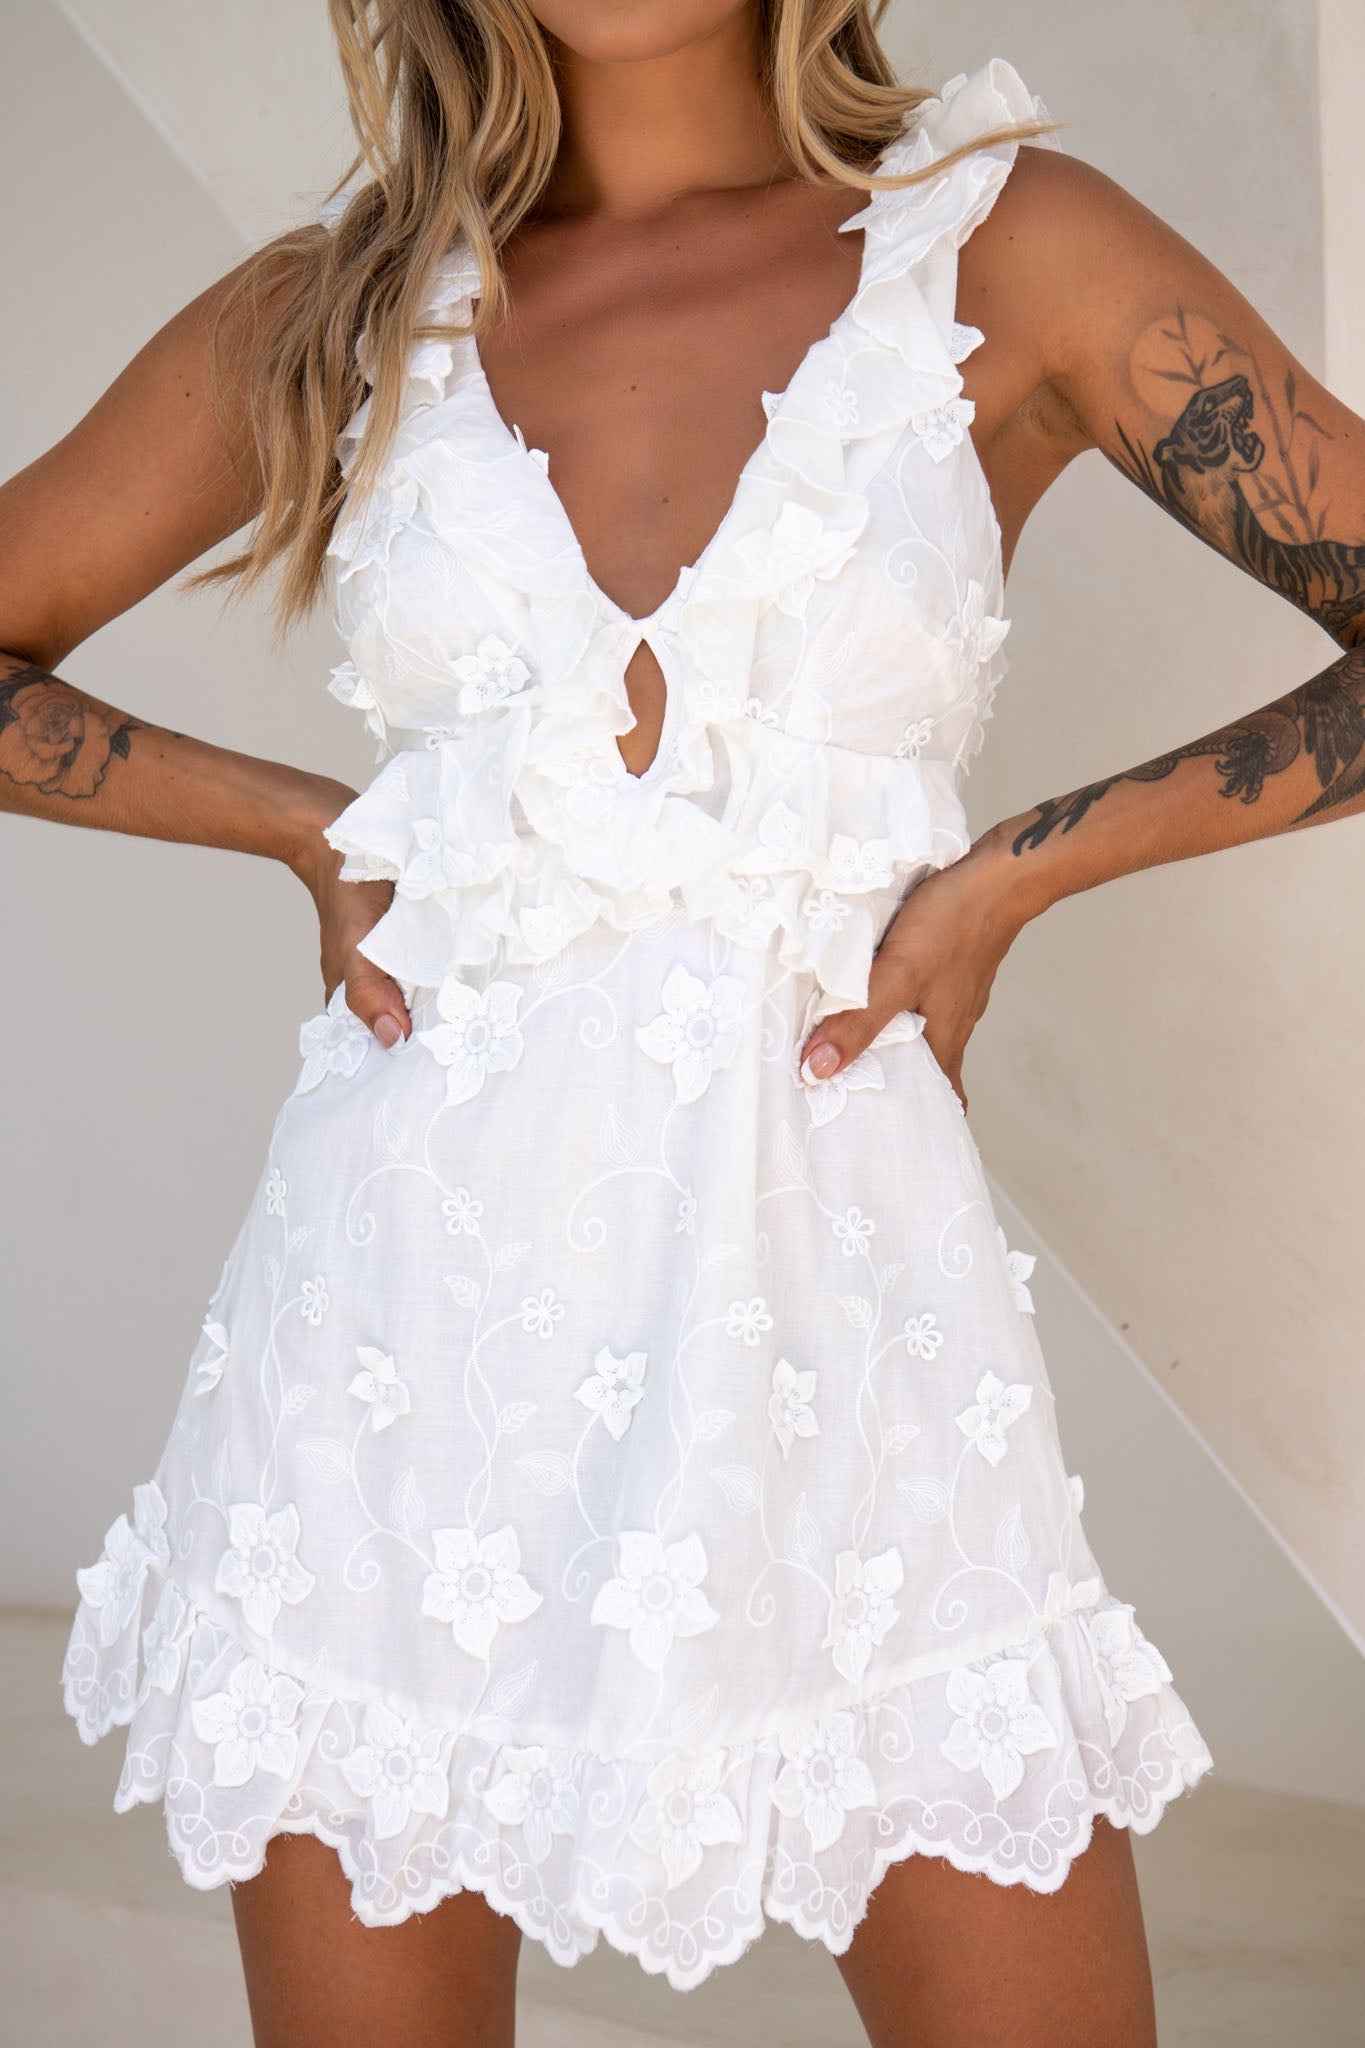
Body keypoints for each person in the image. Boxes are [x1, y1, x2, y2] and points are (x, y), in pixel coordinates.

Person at [5, 4, 1361, 2044]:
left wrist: (1016, 870)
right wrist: (299, 823)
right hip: (389, 1374)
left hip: (844, 1346)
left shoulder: (1003, 247)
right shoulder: (344, 310)